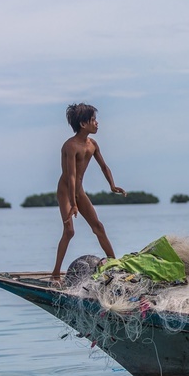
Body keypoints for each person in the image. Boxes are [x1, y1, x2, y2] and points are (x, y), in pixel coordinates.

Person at [51, 103, 126, 284]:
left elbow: (103, 166)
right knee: (69, 231)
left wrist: (112, 185)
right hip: (65, 191)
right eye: (93, 120)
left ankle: (115, 266)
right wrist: (73, 203)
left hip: (79, 191)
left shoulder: (92, 144)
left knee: (98, 227)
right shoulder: (70, 146)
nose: (97, 123)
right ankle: (55, 274)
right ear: (83, 124)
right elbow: (70, 176)